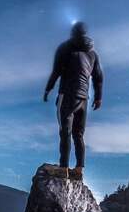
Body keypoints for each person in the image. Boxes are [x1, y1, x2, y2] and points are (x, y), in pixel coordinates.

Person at [43, 20, 103, 180]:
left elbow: (56, 72)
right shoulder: (93, 54)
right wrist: (98, 97)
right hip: (83, 98)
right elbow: (98, 77)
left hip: (67, 95)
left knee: (65, 132)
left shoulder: (65, 48)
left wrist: (48, 89)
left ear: (73, 33)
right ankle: (78, 170)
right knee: (79, 134)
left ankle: (63, 168)